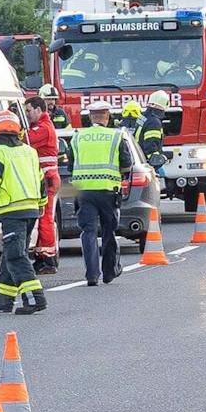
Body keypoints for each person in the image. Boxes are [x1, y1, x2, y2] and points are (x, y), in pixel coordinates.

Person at [0, 110, 48, 315]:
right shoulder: (29, 151)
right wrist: (42, 203)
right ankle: (5, 300)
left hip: (11, 212)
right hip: (31, 210)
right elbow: (41, 181)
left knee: (16, 256)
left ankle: (35, 298)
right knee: (12, 254)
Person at [69, 99, 131, 286]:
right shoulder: (116, 136)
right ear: (108, 116)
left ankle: (92, 275)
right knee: (108, 231)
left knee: (88, 232)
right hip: (108, 191)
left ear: (90, 117)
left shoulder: (77, 136)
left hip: (83, 192)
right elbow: (127, 165)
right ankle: (110, 272)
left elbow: (71, 165)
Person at [24, 96, 61, 275]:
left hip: (46, 178)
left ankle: (48, 259)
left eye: (29, 111)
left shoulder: (43, 128)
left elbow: (26, 140)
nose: (27, 115)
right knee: (43, 218)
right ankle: (42, 257)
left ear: (39, 110)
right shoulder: (44, 126)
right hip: (46, 178)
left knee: (45, 218)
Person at [139, 89, 169, 172]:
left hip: (139, 158)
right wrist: (156, 161)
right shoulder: (154, 122)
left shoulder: (143, 117)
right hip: (147, 164)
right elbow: (151, 144)